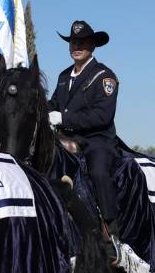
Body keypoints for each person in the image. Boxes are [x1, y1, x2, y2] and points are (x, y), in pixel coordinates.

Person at [48, 20, 120, 246]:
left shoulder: (104, 76)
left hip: (96, 140)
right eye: (73, 42)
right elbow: (53, 104)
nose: (77, 46)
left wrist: (64, 119)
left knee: (98, 172)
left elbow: (102, 116)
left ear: (93, 46)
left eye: (82, 42)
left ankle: (110, 232)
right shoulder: (63, 76)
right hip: (64, 139)